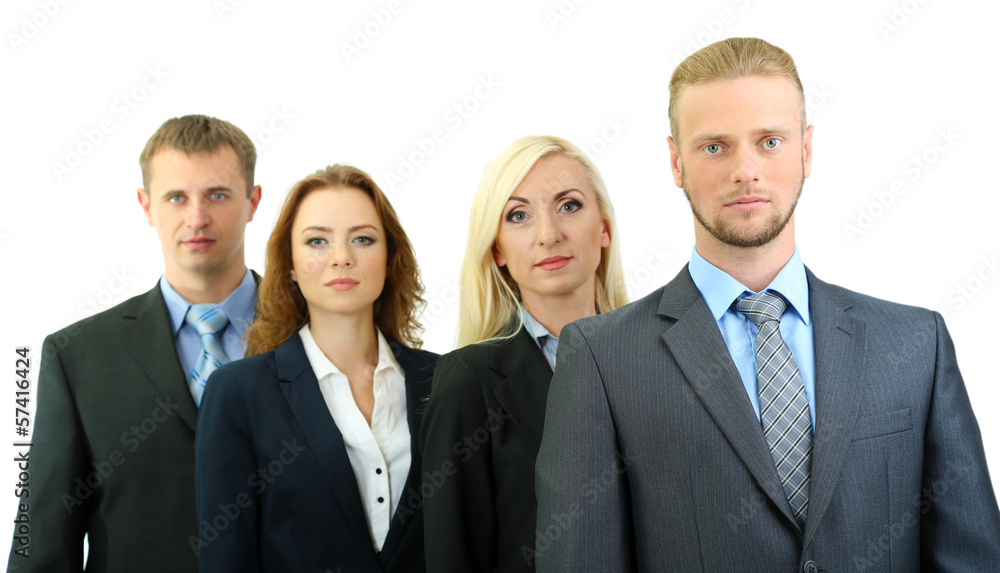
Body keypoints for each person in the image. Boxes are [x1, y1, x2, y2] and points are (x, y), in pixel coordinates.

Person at [534, 37, 1000, 572]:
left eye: (769, 141)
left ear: (805, 151)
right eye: (715, 146)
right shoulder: (603, 359)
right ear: (675, 162)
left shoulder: (917, 344)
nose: (745, 170)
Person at [7, 115, 262, 572]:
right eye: (176, 197)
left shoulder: (314, 334)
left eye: (217, 194)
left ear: (253, 201)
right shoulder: (77, 356)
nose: (196, 217)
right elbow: (42, 542)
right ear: (146, 206)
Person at [194, 164, 437, 572]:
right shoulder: (239, 393)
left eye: (362, 239)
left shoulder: (445, 380)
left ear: (390, 257)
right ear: (290, 265)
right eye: (317, 241)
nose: (341, 258)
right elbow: (226, 558)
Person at [420, 135, 628, 572]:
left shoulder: (653, 359)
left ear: (605, 227)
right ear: (496, 248)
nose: (548, 235)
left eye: (569, 206)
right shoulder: (467, 379)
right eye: (518, 216)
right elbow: (453, 556)